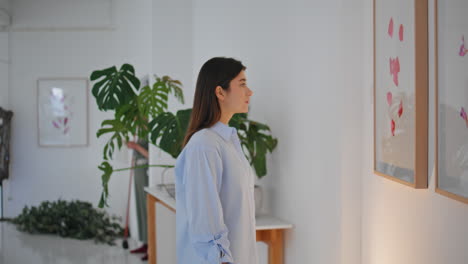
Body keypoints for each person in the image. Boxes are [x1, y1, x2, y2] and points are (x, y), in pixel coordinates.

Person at [175, 57, 258, 264]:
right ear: (220, 92)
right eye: (242, 84)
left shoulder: (227, 141)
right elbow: (206, 219)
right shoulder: (205, 145)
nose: (249, 92)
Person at [127, 139, 149, 261]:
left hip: (146, 175)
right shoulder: (139, 130)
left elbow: (152, 156)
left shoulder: (151, 131)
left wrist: (136, 146)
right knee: (140, 209)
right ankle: (144, 244)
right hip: (138, 174)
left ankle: (150, 246)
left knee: (147, 210)